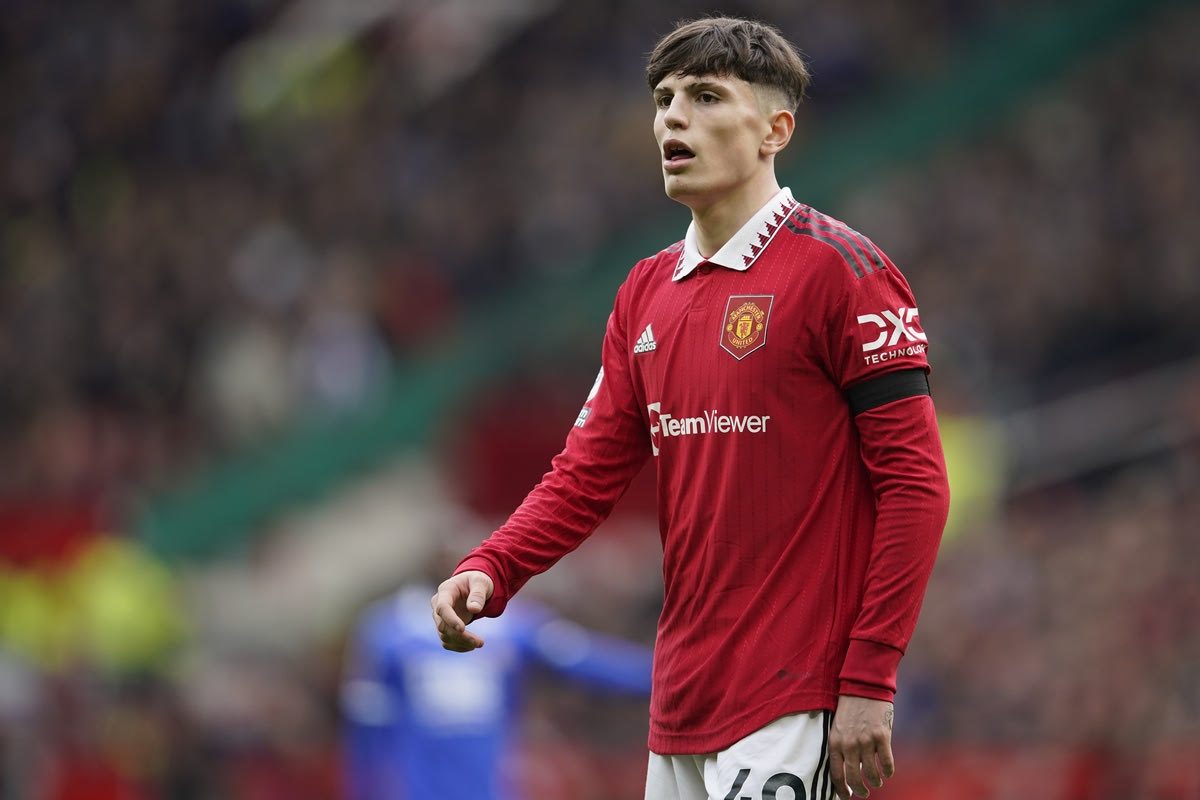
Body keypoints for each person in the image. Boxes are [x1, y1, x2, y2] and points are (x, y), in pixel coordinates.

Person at [432, 16, 950, 800]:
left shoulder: (844, 272)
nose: (673, 118)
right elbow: (584, 475)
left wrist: (870, 677)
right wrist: (492, 566)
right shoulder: (644, 290)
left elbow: (917, 486)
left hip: (794, 692)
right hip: (681, 703)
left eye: (706, 97)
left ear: (775, 130)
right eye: (665, 99)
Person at [341, 579, 653, 800]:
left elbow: (585, 660)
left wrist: (658, 676)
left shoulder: (514, 624)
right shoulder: (388, 628)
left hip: (492, 789)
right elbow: (365, 729)